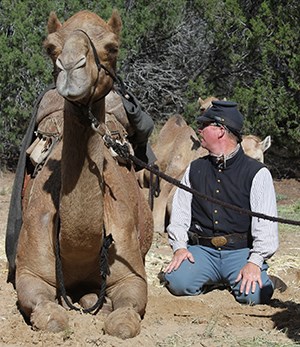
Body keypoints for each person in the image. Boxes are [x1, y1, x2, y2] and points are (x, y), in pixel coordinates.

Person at [163, 100, 279, 305]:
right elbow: (180, 214)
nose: (199, 129)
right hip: (203, 251)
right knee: (177, 282)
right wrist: (180, 247)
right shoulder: (195, 168)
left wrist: (254, 262)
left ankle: (255, 275)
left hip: (241, 252)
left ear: (220, 131)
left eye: (204, 125)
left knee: (255, 295)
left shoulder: (257, 173)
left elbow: (266, 227)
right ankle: (214, 278)